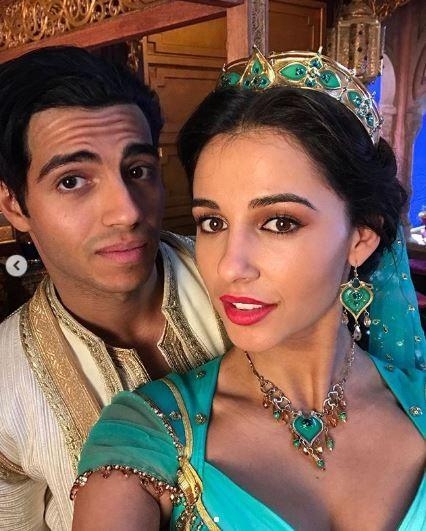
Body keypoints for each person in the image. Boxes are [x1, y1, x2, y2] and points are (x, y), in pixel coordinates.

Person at [72, 49, 425, 530]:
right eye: (212, 222)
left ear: (361, 237)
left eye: (279, 222)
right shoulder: (147, 436)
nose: (229, 266)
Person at [0, 46, 229, 530]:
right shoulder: (5, 377)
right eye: (72, 181)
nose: (126, 211)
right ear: (15, 204)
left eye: (138, 170)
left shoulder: (242, 278)